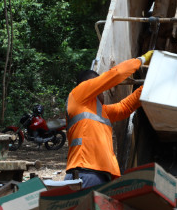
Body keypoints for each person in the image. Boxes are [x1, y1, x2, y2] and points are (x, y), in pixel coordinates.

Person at [64, 51, 154, 188]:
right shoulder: (78, 95)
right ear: (92, 86)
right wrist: (140, 60)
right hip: (85, 172)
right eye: (101, 88)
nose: (103, 92)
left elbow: (124, 107)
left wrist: (150, 85)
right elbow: (116, 74)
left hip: (98, 175)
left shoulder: (99, 112)